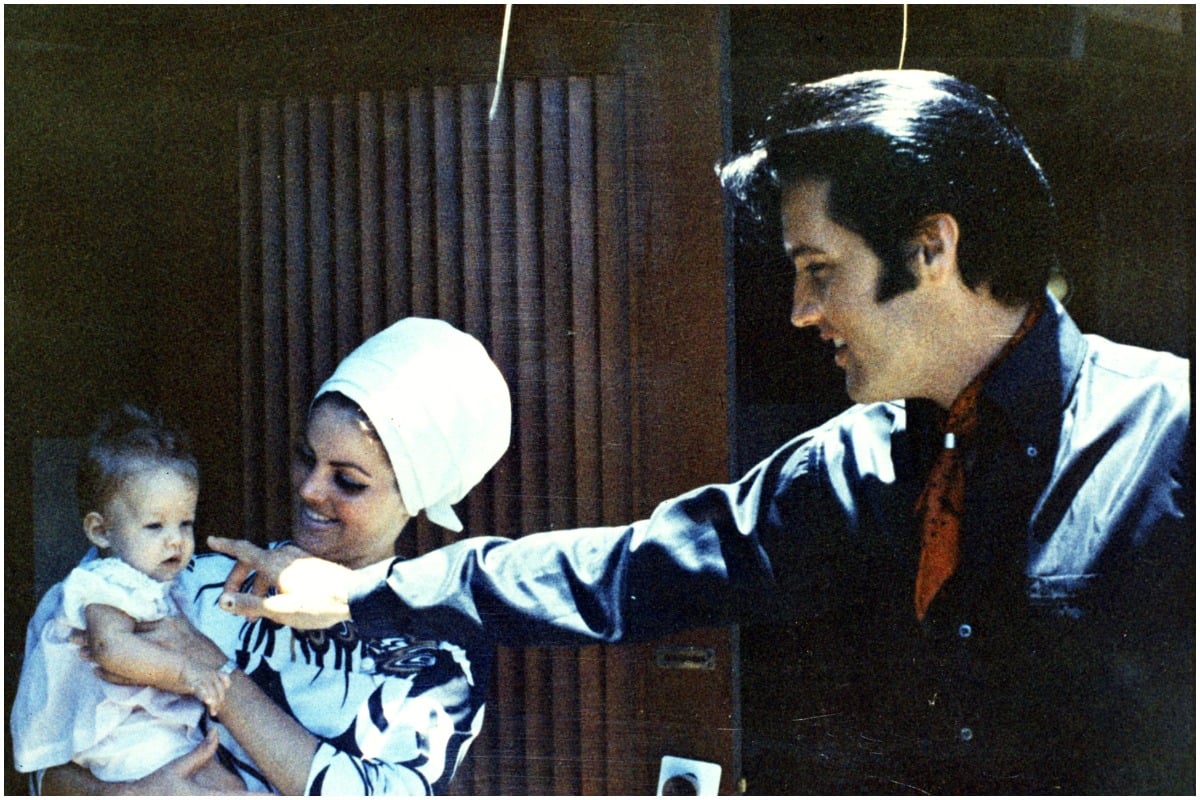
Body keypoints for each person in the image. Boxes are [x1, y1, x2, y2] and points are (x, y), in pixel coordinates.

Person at [217, 70, 1194, 795]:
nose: (803, 312)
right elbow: (624, 569)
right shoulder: (858, 465)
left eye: (819, 269)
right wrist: (363, 592)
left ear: (931, 248)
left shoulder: (1172, 432)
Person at [38, 317, 512, 795]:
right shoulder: (188, 578)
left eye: (347, 481)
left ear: (414, 496)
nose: (309, 489)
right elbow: (47, 749)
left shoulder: (438, 648)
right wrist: (121, 796)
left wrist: (219, 673)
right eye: (306, 457)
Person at [11, 404, 244, 792]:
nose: (175, 539)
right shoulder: (104, 582)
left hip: (153, 733)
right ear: (101, 532)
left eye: (184, 522)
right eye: (154, 525)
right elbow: (109, 647)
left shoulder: (154, 582)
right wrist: (188, 673)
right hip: (119, 738)